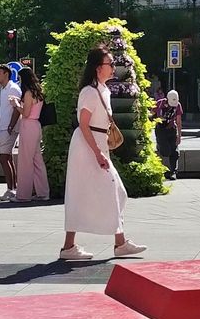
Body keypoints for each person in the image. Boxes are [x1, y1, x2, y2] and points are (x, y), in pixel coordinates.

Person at [60, 47, 147, 261]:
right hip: (88, 147)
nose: (113, 68)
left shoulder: (102, 90)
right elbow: (83, 125)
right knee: (103, 192)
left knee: (112, 192)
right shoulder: (90, 92)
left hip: (95, 144)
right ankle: (116, 243)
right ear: (99, 68)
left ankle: (111, 243)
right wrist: (98, 152)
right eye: (110, 64)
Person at [11, 67, 49, 202]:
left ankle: (23, 195)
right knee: (37, 160)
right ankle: (43, 192)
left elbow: (25, 113)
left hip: (28, 125)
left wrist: (15, 104)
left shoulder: (27, 93)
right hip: (36, 125)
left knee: (25, 161)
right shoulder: (38, 92)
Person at [0, 65, 22, 201]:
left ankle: (11, 189)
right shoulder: (3, 89)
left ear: (6, 74)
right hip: (2, 127)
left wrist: (11, 125)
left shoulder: (13, 88)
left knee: (3, 158)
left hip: (8, 129)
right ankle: (12, 188)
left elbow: (17, 108)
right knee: (7, 158)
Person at [154, 89, 183, 180]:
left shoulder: (178, 105)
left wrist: (179, 136)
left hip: (171, 129)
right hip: (160, 129)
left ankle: (173, 171)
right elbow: (151, 114)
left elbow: (178, 121)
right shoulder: (159, 104)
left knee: (174, 151)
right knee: (165, 151)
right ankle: (160, 147)